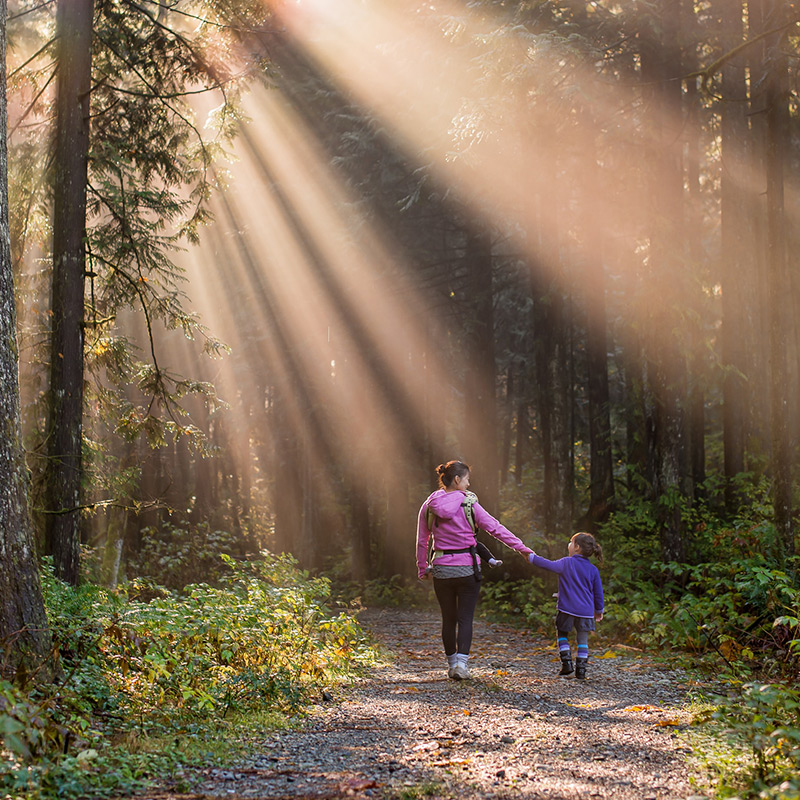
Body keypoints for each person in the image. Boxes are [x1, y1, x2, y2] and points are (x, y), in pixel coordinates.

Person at [416, 460, 534, 680]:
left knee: (448, 619)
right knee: (465, 618)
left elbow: (422, 540)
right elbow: (496, 528)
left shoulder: (429, 505)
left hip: (442, 569)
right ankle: (462, 665)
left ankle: (452, 665)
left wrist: (423, 568)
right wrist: (522, 549)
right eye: (467, 479)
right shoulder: (469, 504)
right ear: (458, 479)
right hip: (468, 570)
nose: (469, 485)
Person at [528, 532, 604, 680]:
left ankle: (567, 663)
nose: (568, 545)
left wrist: (531, 557)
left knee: (562, 634)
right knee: (583, 640)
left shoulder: (566, 563)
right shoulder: (593, 570)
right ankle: (581, 670)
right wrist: (599, 610)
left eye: (571, 542)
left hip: (567, 609)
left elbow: (547, 564)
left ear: (576, 547)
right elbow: (598, 593)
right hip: (586, 612)